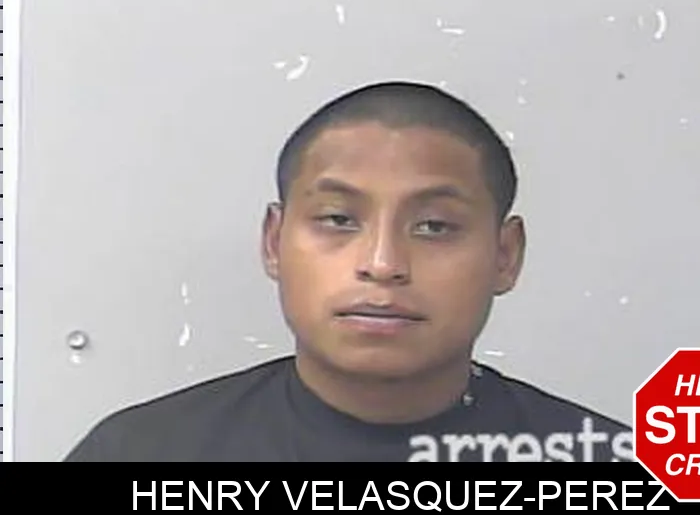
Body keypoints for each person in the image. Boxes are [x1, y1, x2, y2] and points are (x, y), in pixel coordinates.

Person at [65, 81, 632, 462]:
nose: (382, 264)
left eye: (434, 226)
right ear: (274, 242)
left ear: (505, 256)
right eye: (338, 219)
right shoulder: (141, 454)